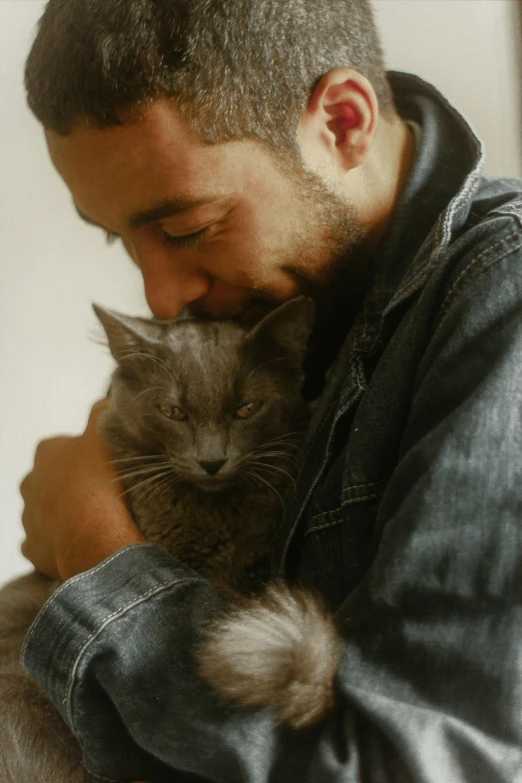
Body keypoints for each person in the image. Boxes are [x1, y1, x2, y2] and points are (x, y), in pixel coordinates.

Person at [18, 0, 522, 781]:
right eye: (120, 235)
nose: (159, 295)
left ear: (345, 124)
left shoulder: (502, 304)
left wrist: (94, 545)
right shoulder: (294, 313)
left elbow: (413, 765)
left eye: (186, 227)